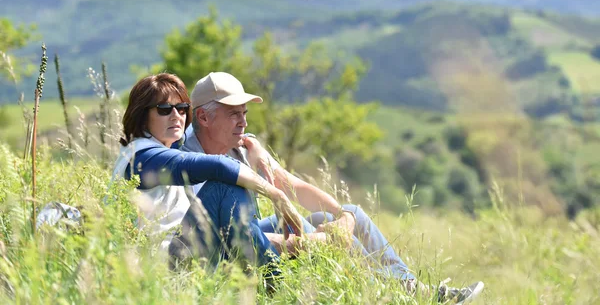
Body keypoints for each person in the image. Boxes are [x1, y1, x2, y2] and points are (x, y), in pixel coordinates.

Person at [181, 71, 484, 303]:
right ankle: (396, 297)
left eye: (245, 113)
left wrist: (344, 217)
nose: (243, 122)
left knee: (348, 215)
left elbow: (294, 186)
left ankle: (420, 293)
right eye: (234, 113)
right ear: (204, 117)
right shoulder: (187, 160)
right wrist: (318, 241)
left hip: (253, 232)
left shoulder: (241, 146)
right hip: (222, 253)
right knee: (329, 235)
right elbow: (227, 237)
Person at [110, 73, 305, 270]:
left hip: (185, 246)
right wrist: (276, 194)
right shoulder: (141, 158)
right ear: (142, 115)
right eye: (164, 109)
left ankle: (322, 238)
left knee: (288, 224)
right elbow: (218, 166)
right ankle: (273, 280)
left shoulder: (162, 148)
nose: (176, 115)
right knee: (224, 186)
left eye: (182, 108)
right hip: (165, 266)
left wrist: (251, 141)